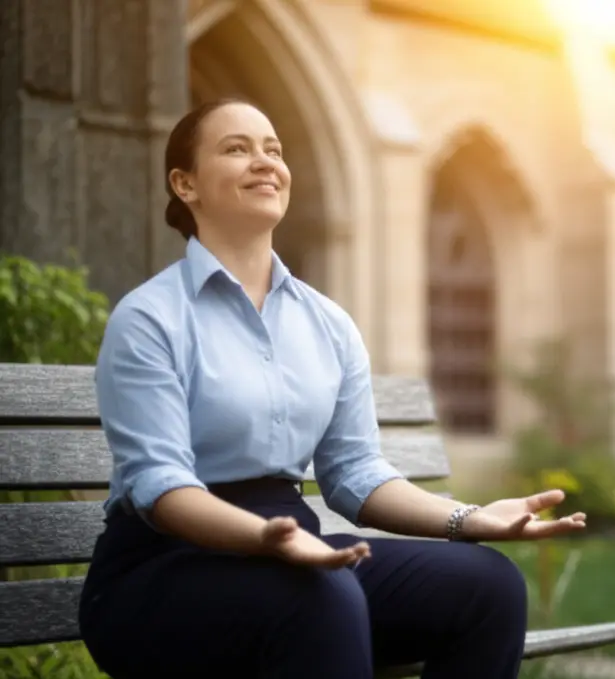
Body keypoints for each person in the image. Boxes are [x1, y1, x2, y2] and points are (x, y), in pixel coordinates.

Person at [77, 98, 586, 679]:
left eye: (273, 150)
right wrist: (265, 538)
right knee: (320, 596)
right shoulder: (149, 318)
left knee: (488, 587)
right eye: (237, 149)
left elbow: (354, 473)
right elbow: (160, 486)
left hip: (293, 553)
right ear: (184, 183)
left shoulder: (327, 322)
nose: (265, 162)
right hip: (161, 572)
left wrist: (469, 519)